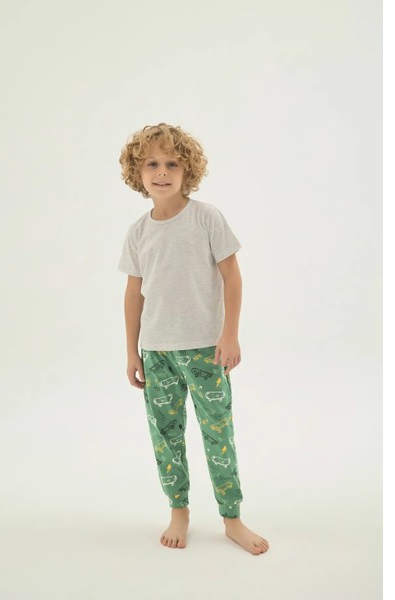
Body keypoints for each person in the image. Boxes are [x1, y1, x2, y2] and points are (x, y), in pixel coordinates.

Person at [117, 123, 269, 555]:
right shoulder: (138, 232)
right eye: (151, 164)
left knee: (218, 435)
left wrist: (230, 334)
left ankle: (232, 517)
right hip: (156, 352)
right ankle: (178, 511)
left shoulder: (207, 218)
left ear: (188, 170)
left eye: (172, 163)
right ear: (137, 172)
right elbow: (133, 293)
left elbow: (232, 277)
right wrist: (131, 351)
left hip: (206, 349)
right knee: (166, 437)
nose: (161, 172)